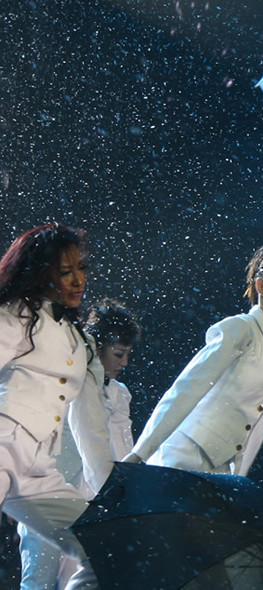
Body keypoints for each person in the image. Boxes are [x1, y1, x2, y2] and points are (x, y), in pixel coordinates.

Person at [125, 241, 263, 476]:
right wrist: (141, 453)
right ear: (261, 285)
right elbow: (186, 388)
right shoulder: (241, 329)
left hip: (220, 470)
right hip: (184, 456)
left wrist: (237, 476)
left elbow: (259, 426)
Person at [0, 223, 111, 589]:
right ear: (40, 273)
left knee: (106, 550)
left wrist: (111, 485)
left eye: (82, 268)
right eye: (66, 271)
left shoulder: (77, 338)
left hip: (38, 468)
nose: (78, 280)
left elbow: (89, 423)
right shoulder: (18, 315)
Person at [18, 299, 141, 589]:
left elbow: (123, 445)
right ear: (97, 348)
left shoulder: (118, 395)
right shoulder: (65, 381)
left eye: (127, 354)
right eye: (118, 354)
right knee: (39, 580)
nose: (124, 362)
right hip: (47, 492)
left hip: (89, 500)